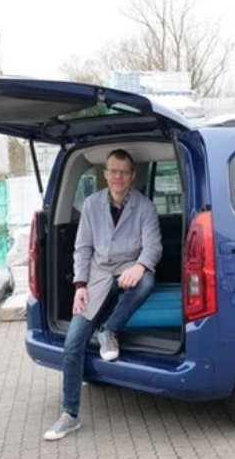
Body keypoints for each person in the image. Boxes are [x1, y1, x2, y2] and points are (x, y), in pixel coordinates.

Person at [44, 149, 162, 441]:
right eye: (113, 171)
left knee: (146, 281)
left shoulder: (145, 207)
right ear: (105, 174)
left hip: (128, 270)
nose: (118, 177)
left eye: (124, 172)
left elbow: (153, 247)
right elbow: (82, 248)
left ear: (132, 175)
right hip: (97, 276)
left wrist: (140, 266)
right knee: (73, 343)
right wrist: (80, 285)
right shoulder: (91, 205)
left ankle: (109, 330)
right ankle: (70, 415)